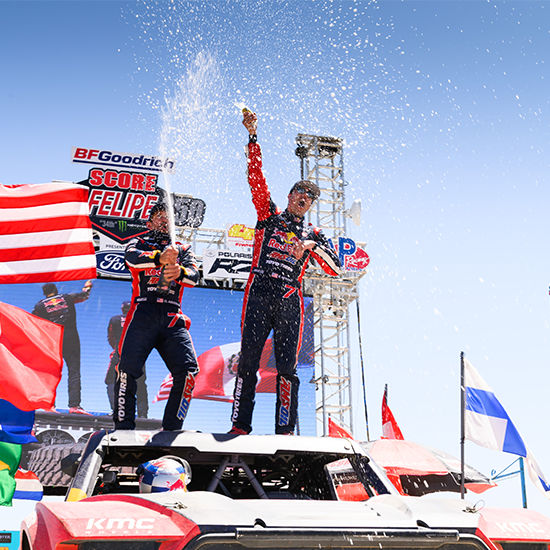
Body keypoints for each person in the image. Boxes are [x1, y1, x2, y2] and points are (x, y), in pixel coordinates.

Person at [229, 110, 341, 436]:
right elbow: (255, 177)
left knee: (287, 369)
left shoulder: (314, 235)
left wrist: (309, 247)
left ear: (309, 206)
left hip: (291, 298)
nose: (303, 200)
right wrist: (252, 136)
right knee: (248, 362)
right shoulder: (269, 215)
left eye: (309, 199)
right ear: (290, 196)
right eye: (299, 194)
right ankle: (240, 426)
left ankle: (284, 430)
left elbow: (335, 270)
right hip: (259, 291)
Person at [114, 202, 199, 431]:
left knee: (189, 371)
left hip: (172, 315)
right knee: (126, 370)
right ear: (149, 222)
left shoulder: (183, 248)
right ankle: (123, 427)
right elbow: (131, 259)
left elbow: (194, 276)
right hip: (143, 312)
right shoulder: (139, 242)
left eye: (167, 217)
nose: (164, 221)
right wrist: (159, 258)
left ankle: (172, 429)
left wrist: (179, 271)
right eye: (159, 217)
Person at [32, 280, 93, 415]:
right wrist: (87, 286)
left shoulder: (39, 306)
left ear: (44, 293)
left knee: (51, 373)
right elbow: (84, 296)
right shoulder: (67, 297)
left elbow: (33, 323)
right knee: (74, 371)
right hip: (71, 339)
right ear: (56, 290)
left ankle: (49, 406)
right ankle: (74, 406)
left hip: (53, 341)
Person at [105, 301, 148, 418]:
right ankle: (142, 414)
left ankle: (116, 410)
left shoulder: (114, 319)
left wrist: (117, 347)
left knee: (112, 381)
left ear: (122, 308)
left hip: (119, 352)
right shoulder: (142, 319)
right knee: (140, 383)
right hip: (138, 353)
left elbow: (110, 337)